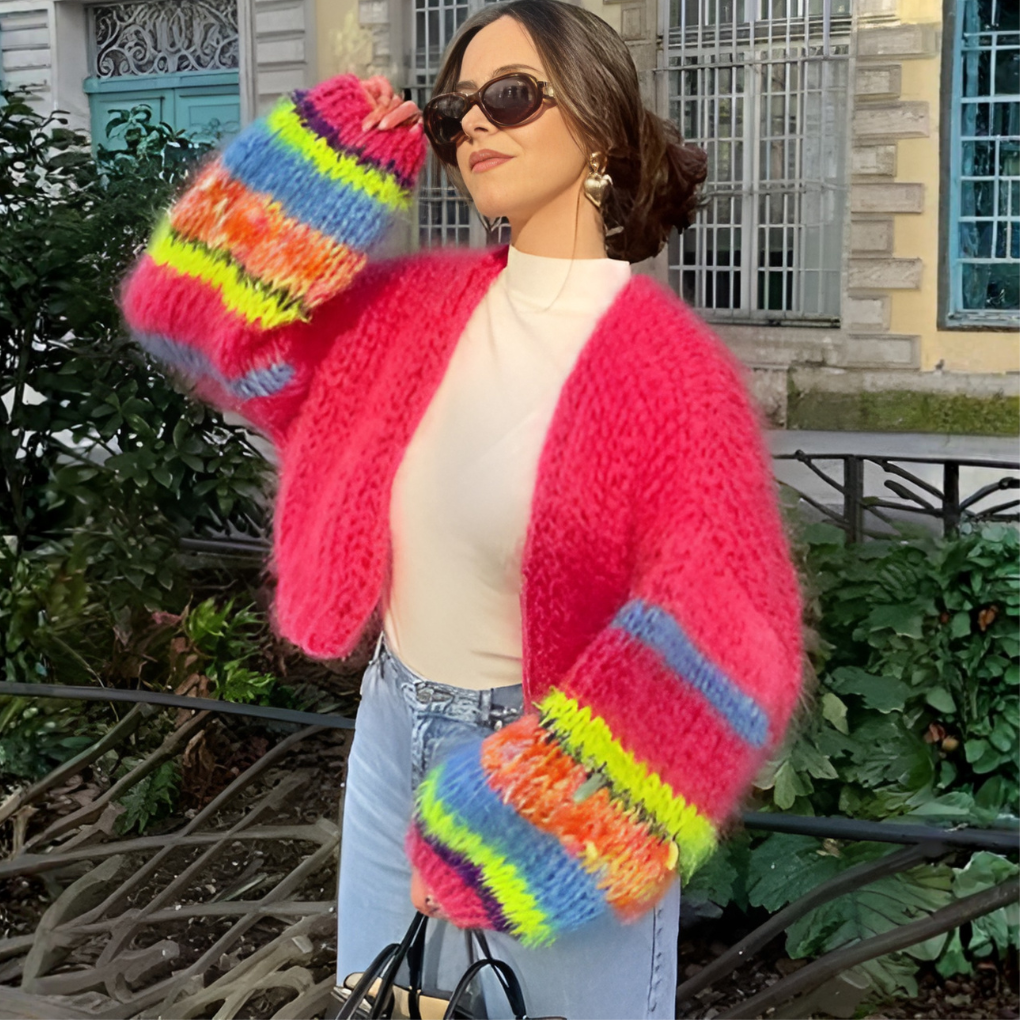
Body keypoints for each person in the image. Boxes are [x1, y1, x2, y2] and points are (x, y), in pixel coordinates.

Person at [119, 1, 804, 1016]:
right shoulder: (408, 312)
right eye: (454, 110)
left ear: (599, 126)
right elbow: (191, 319)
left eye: (512, 96)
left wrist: (538, 808)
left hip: (562, 773)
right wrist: (325, 154)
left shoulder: (672, 375)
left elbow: (735, 629)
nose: (476, 122)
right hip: (390, 736)